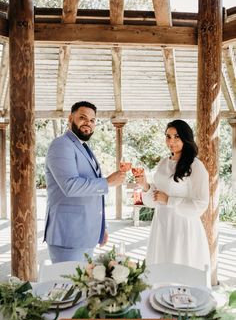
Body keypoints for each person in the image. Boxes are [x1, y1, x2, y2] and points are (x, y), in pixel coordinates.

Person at [44, 101, 125, 263]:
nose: (88, 123)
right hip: (68, 236)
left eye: (92, 120)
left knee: (82, 287)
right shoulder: (61, 145)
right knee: (67, 287)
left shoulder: (83, 147)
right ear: (70, 118)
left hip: (86, 234)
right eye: (83, 117)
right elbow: (70, 186)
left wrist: (102, 227)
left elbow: (91, 196)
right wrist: (107, 182)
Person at [135, 119, 211, 270]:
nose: (171, 141)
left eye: (177, 137)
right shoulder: (163, 163)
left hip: (183, 227)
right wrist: (145, 185)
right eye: (168, 136)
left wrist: (170, 200)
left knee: (180, 270)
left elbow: (201, 203)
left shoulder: (195, 166)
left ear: (186, 138)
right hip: (161, 224)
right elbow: (155, 198)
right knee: (160, 269)